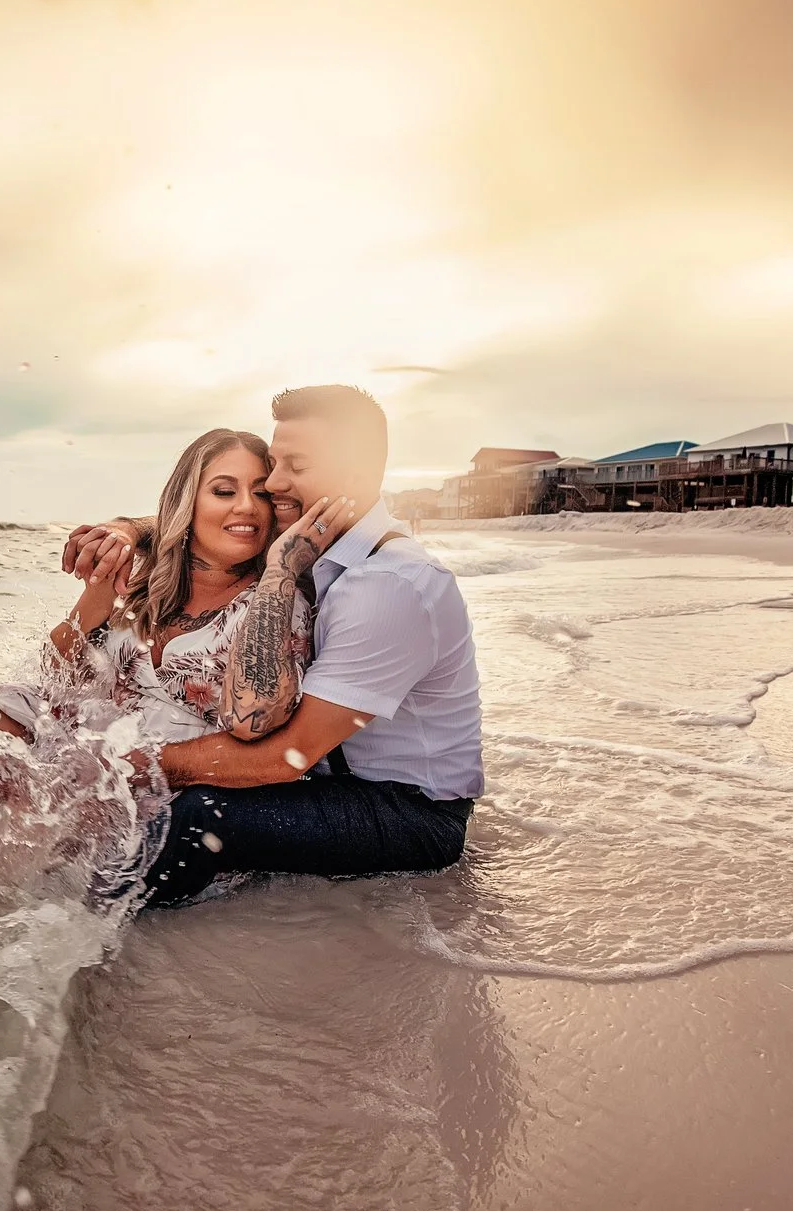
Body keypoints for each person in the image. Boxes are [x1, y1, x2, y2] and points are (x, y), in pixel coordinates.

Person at [62, 384, 483, 907]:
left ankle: (98, 928)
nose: (274, 484)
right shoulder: (333, 545)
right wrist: (129, 530)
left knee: (200, 815)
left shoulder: (389, 584)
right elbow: (200, 522)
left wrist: (134, 763)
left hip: (406, 813)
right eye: (275, 465)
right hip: (330, 781)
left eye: (296, 467)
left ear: (354, 472)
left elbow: (285, 757)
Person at [0, 428, 361, 795]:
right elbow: (56, 675)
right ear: (186, 504)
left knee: (37, 803)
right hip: (91, 743)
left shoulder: (276, 599)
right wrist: (96, 595)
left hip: (166, 782)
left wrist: (281, 571)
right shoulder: (147, 577)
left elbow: (255, 721)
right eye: (224, 491)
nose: (246, 506)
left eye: (261, 494)